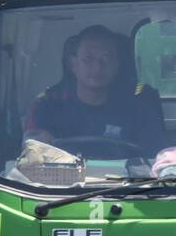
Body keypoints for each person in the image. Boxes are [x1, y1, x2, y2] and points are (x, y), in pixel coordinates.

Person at [25, 25, 166, 155]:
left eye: (106, 58)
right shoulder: (47, 105)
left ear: (117, 64)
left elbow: (156, 158)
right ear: (73, 64)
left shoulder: (139, 106)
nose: (97, 67)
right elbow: (30, 156)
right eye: (88, 59)